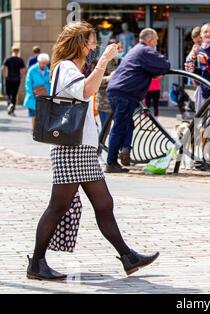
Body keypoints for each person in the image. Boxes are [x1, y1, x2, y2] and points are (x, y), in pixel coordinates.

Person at [27, 21, 159, 281]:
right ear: (79, 43)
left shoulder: (71, 68)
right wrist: (105, 61)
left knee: (103, 203)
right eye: (90, 41)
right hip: (72, 148)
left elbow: (86, 87)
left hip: (80, 148)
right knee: (58, 206)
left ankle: (127, 256)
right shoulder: (65, 67)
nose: (94, 46)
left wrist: (103, 68)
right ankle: (37, 262)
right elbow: (86, 90)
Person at [106, 28, 170, 172]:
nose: (156, 44)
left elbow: (144, 68)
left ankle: (125, 149)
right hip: (125, 93)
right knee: (119, 127)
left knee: (127, 124)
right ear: (150, 40)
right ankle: (111, 162)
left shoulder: (136, 50)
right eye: (156, 41)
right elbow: (165, 64)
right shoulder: (145, 50)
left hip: (117, 91)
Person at [97, 39, 122, 132]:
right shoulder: (102, 62)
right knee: (104, 131)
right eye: (117, 48)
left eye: (120, 48)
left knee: (119, 130)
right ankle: (99, 147)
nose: (120, 50)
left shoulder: (123, 62)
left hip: (120, 102)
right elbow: (96, 81)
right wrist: (109, 78)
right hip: (105, 103)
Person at [23, 53, 51, 129]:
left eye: (45, 63)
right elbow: (28, 83)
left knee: (43, 115)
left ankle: (41, 132)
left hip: (45, 96)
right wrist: (31, 95)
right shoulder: (32, 70)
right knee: (34, 115)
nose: (43, 65)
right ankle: (34, 130)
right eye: (42, 63)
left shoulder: (48, 71)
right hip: (34, 96)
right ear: (38, 62)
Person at [2, 46, 26, 116]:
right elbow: (24, 70)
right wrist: (21, 76)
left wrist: (4, 76)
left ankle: (10, 104)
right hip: (16, 79)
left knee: (8, 94)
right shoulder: (20, 60)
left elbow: (2, 68)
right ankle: (12, 109)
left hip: (8, 79)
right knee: (14, 95)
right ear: (18, 51)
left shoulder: (8, 59)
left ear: (11, 51)